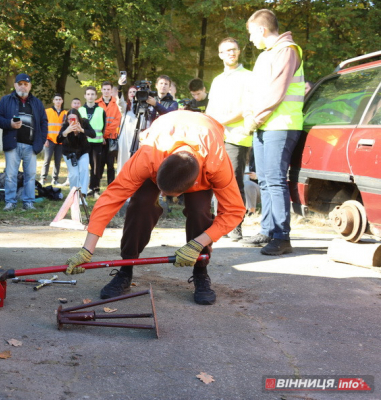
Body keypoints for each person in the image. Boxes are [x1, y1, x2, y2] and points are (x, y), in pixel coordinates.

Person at [63, 110, 245, 305]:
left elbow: (234, 211)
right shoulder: (149, 155)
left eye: (168, 194)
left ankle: (200, 270)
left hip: (204, 145)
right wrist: (87, 249)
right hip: (164, 139)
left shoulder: (216, 163)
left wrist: (198, 243)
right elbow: (112, 196)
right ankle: (126, 268)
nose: (163, 197)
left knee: (199, 210)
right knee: (141, 204)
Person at [238, 9, 305, 256]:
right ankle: (267, 230)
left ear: (261, 30)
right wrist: (250, 117)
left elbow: (276, 92)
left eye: (251, 34)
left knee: (275, 180)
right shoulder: (268, 54)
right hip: (265, 125)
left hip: (282, 125)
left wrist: (254, 118)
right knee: (264, 180)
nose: (250, 40)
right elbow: (254, 92)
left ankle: (281, 236)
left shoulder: (287, 50)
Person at [206, 37, 253, 241]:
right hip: (217, 138)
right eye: (226, 51)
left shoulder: (249, 77)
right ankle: (221, 223)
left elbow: (247, 108)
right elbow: (210, 109)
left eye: (234, 49)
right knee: (217, 181)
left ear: (239, 52)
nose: (231, 53)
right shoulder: (217, 80)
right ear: (220, 55)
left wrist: (222, 121)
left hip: (237, 137)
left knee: (233, 183)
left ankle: (235, 226)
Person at [0, 73, 48, 211]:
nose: (23, 87)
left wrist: (40, 142)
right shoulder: (6, 100)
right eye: (20, 84)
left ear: (30, 86)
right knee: (10, 175)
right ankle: (10, 202)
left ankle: (28, 202)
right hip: (12, 144)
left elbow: (43, 122)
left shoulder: (36, 102)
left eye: (26, 84)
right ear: (15, 85)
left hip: (31, 145)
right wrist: (9, 124)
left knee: (30, 176)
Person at [56, 108, 96, 204]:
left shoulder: (84, 122)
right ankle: (73, 196)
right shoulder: (66, 125)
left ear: (78, 118)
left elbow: (93, 134)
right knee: (74, 174)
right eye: (70, 119)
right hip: (69, 153)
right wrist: (66, 131)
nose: (72, 121)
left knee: (84, 170)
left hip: (83, 151)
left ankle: (82, 195)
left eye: (74, 119)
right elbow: (58, 140)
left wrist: (81, 130)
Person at [80, 86, 107, 198]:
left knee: (96, 167)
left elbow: (104, 127)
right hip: (83, 143)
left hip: (96, 143)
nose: (90, 96)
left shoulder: (101, 110)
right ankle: (82, 189)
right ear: (85, 96)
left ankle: (94, 189)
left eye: (92, 94)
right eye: (88, 94)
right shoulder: (80, 110)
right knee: (83, 167)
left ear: (96, 96)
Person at [96, 81, 122, 187]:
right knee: (98, 164)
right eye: (104, 89)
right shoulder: (97, 103)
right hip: (98, 139)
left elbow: (116, 121)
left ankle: (110, 186)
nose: (106, 91)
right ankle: (95, 187)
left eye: (108, 89)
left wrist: (104, 134)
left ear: (112, 91)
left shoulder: (117, 104)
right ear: (101, 90)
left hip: (111, 139)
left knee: (110, 164)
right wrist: (100, 136)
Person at [41, 94, 66, 186]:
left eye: (60, 99)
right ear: (53, 101)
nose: (58, 101)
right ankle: (43, 178)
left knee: (57, 161)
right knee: (46, 160)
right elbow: (43, 126)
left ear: (62, 101)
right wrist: (45, 139)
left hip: (60, 141)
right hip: (50, 139)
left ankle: (55, 179)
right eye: (56, 99)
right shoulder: (47, 111)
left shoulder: (65, 113)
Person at [117, 86, 138, 174]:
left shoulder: (143, 108)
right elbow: (120, 102)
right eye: (130, 92)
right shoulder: (126, 108)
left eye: (134, 92)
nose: (132, 94)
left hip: (137, 139)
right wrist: (120, 88)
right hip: (125, 139)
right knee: (123, 161)